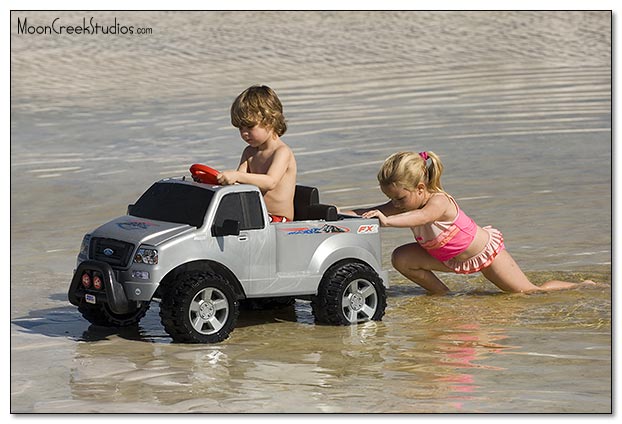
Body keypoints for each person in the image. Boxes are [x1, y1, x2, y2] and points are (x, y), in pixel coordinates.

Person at [345, 151, 595, 294]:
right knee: (401, 257)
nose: (394, 204)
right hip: (449, 257)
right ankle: (443, 295)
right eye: (390, 199)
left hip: (486, 255)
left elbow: (421, 217)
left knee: (528, 293)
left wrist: (387, 221)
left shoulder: (438, 202)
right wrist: (336, 213)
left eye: (399, 198)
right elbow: (370, 211)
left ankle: (581, 286)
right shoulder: (404, 204)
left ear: (421, 188)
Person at [217, 85, 297, 222]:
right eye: (240, 128)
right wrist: (224, 180)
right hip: (258, 217)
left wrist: (236, 175)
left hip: (279, 220)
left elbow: (270, 182)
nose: (244, 133)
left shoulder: (282, 152)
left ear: (270, 121)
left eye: (249, 126)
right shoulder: (249, 153)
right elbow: (239, 184)